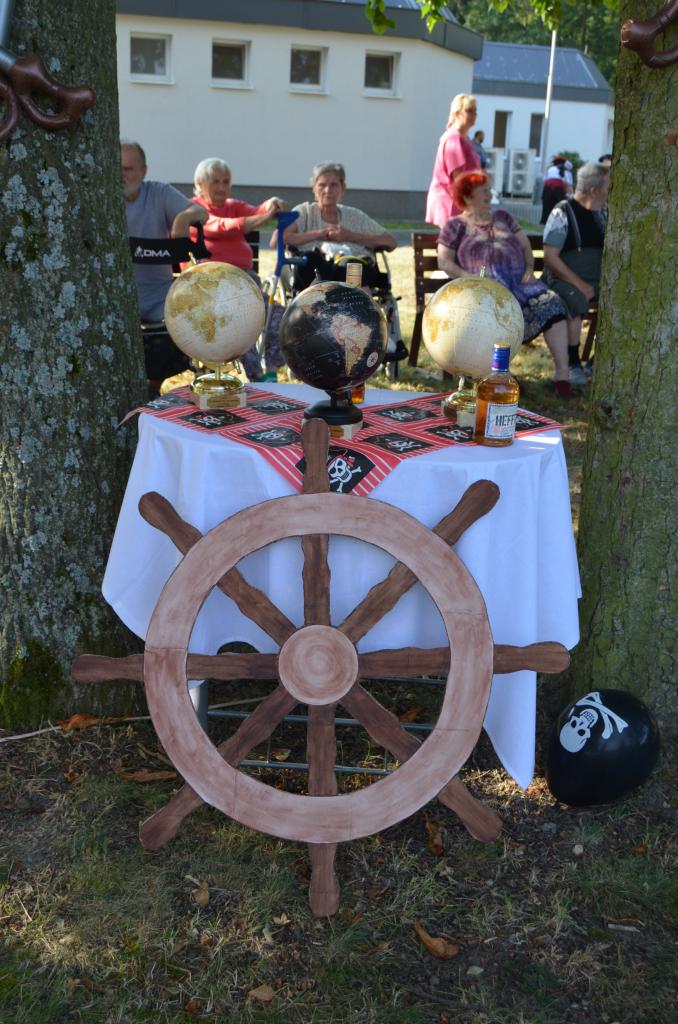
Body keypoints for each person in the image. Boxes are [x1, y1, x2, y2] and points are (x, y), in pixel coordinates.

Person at [437, 170, 573, 397]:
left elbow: (525, 246)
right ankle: (499, 375)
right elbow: (444, 261)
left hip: (520, 283)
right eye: (483, 191)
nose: (489, 195)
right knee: (491, 315)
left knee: (552, 304)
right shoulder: (455, 225)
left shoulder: (503, 217)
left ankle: (562, 376)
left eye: (489, 190)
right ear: (467, 196)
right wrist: (468, 277)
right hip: (484, 288)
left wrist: (530, 268)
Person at [121, 140, 208, 322]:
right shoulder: (100, 200)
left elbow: (201, 213)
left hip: (161, 300)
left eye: (127, 169)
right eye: (116, 167)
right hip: (115, 299)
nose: (121, 175)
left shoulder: (159, 193)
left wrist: (182, 218)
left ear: (143, 171)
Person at [279, 161, 397, 290]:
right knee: (309, 259)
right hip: (317, 273)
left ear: (343, 188)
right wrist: (320, 233)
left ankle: (350, 298)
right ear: (314, 188)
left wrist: (350, 236)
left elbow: (390, 242)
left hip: (352, 271)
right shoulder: (305, 212)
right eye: (322, 185)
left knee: (352, 265)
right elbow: (280, 238)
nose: (327, 190)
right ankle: (324, 297)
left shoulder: (354, 216)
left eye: (334, 185)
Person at [543, 161, 610, 383]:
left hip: (597, 279)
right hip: (564, 279)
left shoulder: (604, 213)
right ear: (594, 191)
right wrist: (580, 284)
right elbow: (550, 257)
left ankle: (596, 363)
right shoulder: (562, 212)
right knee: (575, 299)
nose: (611, 191)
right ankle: (573, 365)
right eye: (608, 186)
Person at [187, 158, 285, 275]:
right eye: (215, 182)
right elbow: (220, 227)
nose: (221, 188)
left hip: (243, 273)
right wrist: (265, 217)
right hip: (208, 276)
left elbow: (256, 212)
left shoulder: (234, 205)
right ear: (200, 183)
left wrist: (271, 204)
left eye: (226, 182)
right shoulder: (192, 208)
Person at [425, 94, 481, 229]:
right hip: (450, 201)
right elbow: (458, 176)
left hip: (458, 200)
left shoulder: (463, 138)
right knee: (455, 240)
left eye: (475, 110)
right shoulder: (454, 138)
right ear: (456, 113)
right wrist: (471, 204)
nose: (474, 114)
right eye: (469, 110)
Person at [540, 156, 568, 224]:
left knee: (546, 206)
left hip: (548, 187)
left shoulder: (550, 169)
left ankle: (544, 221)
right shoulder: (565, 171)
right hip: (558, 189)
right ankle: (559, 222)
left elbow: (544, 179)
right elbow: (566, 183)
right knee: (560, 206)